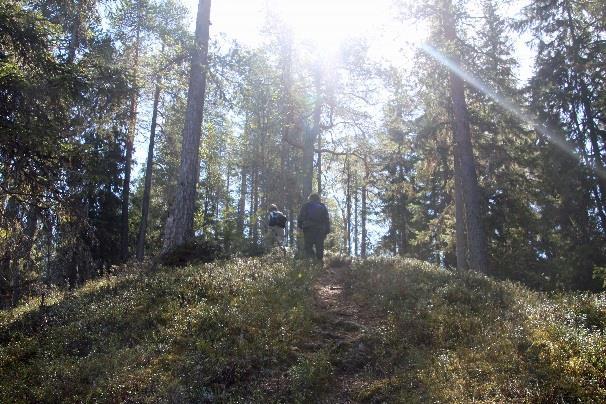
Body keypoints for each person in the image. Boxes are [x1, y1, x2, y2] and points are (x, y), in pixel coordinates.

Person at [297, 193, 330, 260]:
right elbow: (326, 219)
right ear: (318, 199)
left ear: (310, 198)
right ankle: (319, 264)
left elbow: (300, 218)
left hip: (308, 228)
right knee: (319, 247)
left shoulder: (306, 206)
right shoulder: (322, 206)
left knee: (308, 247)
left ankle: (311, 264)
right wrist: (327, 231)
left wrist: (301, 226)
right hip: (320, 229)